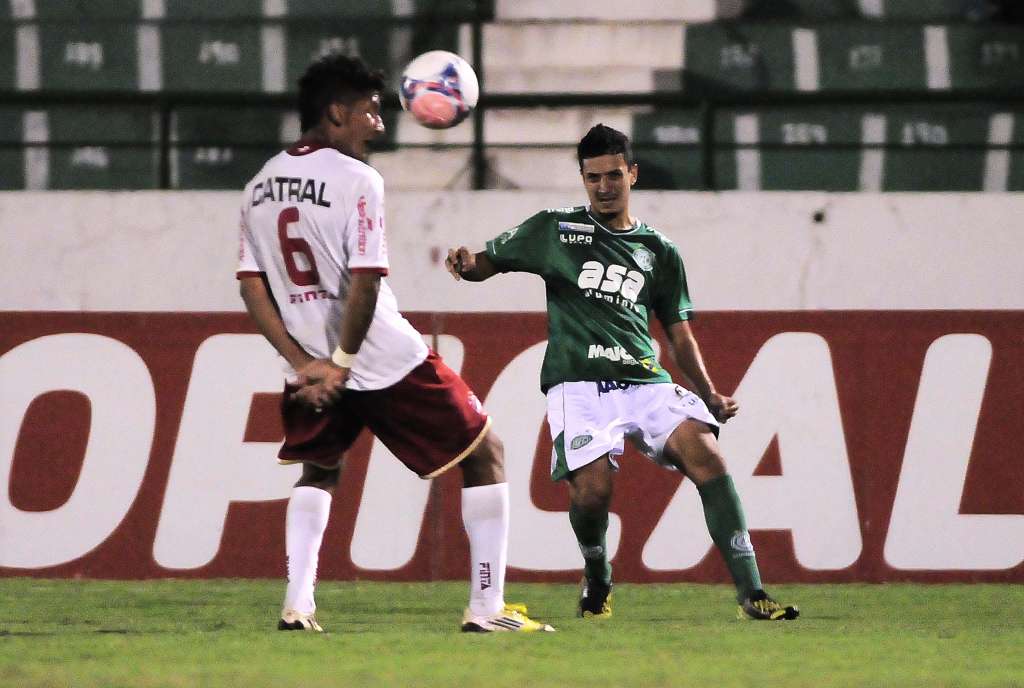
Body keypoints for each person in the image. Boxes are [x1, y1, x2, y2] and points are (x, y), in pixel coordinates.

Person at [236, 53, 553, 633]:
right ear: (336, 113)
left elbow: (251, 284)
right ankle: (486, 608)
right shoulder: (359, 180)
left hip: (311, 365)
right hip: (380, 357)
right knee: (485, 453)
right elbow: (365, 280)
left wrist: (304, 362)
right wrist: (342, 362)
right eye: (370, 111)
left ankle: (297, 605)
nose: (380, 122)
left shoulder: (259, 185)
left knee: (318, 470)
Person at [445, 124, 799, 621]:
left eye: (614, 175)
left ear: (632, 173)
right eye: (593, 178)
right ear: (583, 180)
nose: (605, 186)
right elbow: (487, 262)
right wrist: (465, 262)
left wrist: (710, 393)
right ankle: (597, 573)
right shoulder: (555, 229)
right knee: (592, 495)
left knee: (709, 459)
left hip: (644, 381)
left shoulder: (660, 250)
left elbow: (679, 333)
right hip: (579, 382)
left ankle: (752, 592)